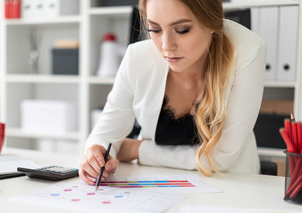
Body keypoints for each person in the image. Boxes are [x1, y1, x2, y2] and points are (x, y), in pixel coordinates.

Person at [79, 0, 266, 185]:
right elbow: (105, 134)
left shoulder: (247, 50)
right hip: (156, 181)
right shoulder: (137, 56)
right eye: (155, 29)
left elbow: (223, 157)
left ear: (211, 22)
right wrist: (98, 152)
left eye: (182, 30)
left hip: (231, 184)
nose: (166, 46)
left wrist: (139, 150)